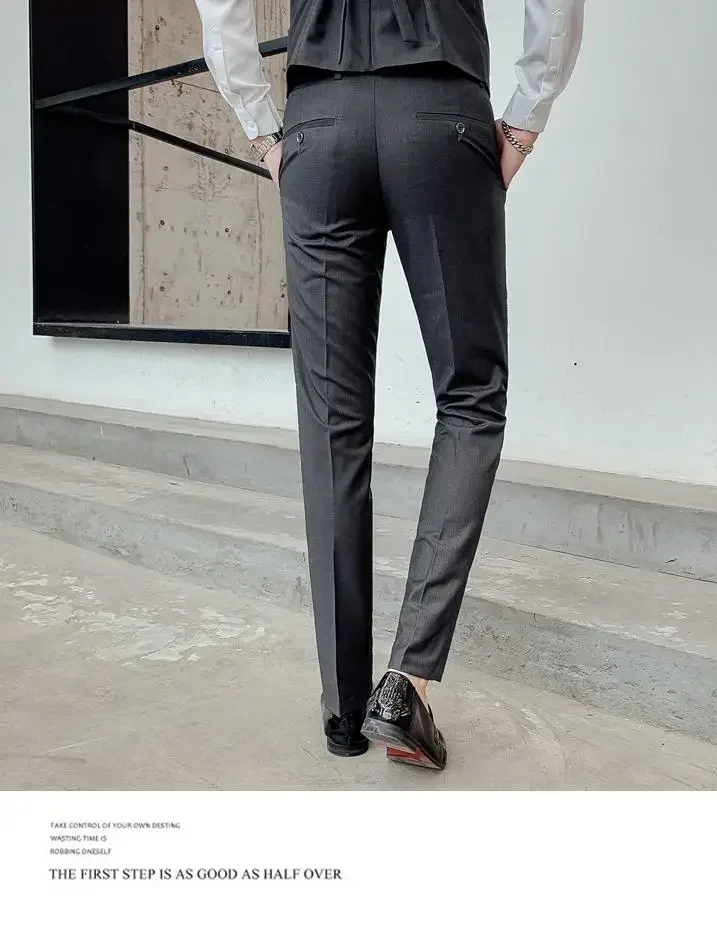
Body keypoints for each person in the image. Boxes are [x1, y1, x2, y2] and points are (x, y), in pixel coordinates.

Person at [194, 0, 585, 771]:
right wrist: (526, 116)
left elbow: (222, 5)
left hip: (320, 123)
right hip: (442, 116)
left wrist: (262, 125)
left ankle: (343, 711)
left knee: (331, 423)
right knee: (471, 397)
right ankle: (406, 683)